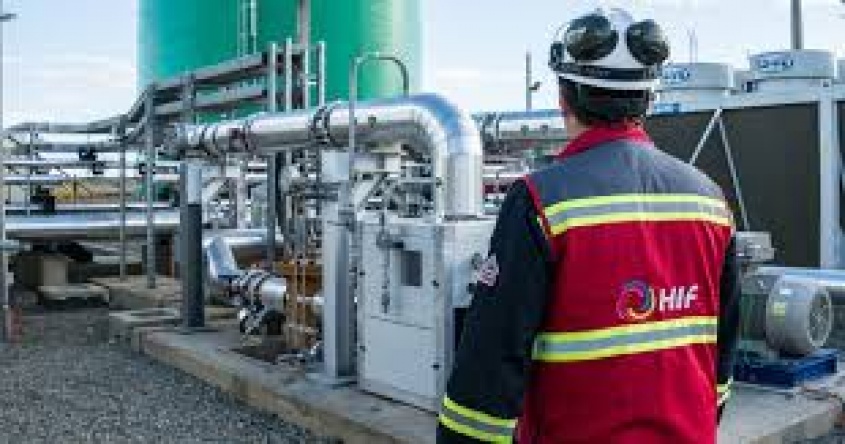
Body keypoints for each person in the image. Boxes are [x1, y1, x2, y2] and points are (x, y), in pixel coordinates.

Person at [437, 8, 740, 444]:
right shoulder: (710, 199)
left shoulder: (540, 199)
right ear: (648, 100)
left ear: (564, 97)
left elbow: (491, 363)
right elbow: (723, 347)